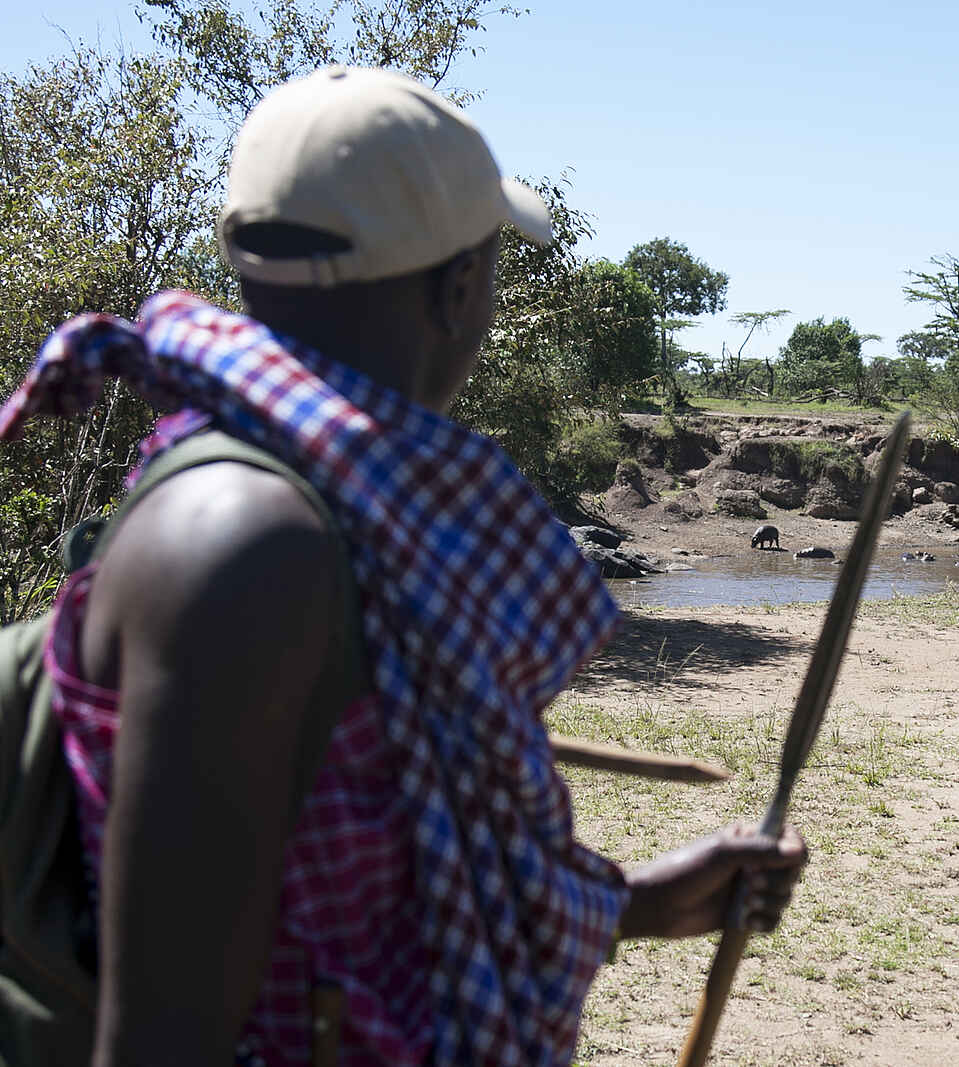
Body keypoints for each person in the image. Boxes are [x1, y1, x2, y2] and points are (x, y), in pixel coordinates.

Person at [0, 66, 806, 1066]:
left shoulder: (346, 518)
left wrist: (637, 904)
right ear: (461, 285)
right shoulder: (247, 545)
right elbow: (163, 1035)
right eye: (492, 268)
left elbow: (354, 890)